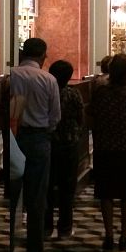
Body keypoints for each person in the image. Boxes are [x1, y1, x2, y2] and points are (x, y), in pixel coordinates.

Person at [88, 53, 126, 251]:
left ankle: (108, 235)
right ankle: (125, 235)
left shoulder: (100, 93)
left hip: (105, 147)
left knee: (106, 193)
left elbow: (91, 119)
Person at [10, 38, 61, 252]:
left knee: (12, 193)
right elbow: (55, 116)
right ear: (42, 56)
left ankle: (9, 247)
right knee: (37, 196)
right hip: (39, 138)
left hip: (14, 137)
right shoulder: (48, 79)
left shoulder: (11, 76)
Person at [45, 60, 84, 240]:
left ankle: (46, 227)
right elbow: (80, 118)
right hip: (69, 142)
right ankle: (65, 228)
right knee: (67, 187)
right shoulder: (73, 94)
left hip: (50, 142)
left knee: (48, 186)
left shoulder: (46, 92)